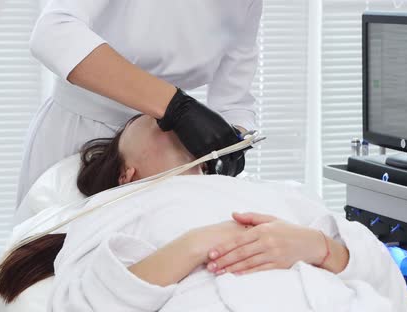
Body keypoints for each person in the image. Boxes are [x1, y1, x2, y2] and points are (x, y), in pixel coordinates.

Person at [0, 114, 407, 312]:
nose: (169, 118)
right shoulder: (113, 207)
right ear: (126, 172)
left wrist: (321, 247)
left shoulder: (273, 194)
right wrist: (196, 244)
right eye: (151, 120)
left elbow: (391, 288)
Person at [17, 0, 263, 205]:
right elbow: (53, 33)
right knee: (52, 255)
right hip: (80, 126)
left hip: (169, 145)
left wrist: (232, 141)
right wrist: (174, 105)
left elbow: (234, 100)